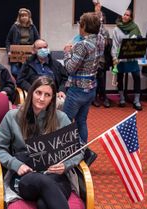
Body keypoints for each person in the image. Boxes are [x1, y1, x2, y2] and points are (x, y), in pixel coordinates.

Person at [0, 76, 82, 209]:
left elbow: (79, 150)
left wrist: (66, 165)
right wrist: (15, 164)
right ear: (31, 93)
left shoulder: (61, 118)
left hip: (57, 175)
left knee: (44, 202)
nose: (41, 98)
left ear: (52, 98)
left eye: (47, 95)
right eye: (38, 92)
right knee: (42, 183)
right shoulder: (12, 116)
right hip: (26, 176)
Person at [63, 12, 104, 143]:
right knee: (81, 121)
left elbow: (70, 68)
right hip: (91, 88)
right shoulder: (101, 39)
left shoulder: (83, 45)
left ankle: (65, 153)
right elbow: (99, 23)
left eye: (80, 24)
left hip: (77, 90)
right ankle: (82, 151)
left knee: (65, 123)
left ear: (84, 25)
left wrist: (67, 53)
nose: (79, 27)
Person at [111, 9, 142, 110]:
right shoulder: (117, 29)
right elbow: (115, 44)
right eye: (124, 14)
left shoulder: (135, 27)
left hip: (132, 57)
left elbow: (139, 42)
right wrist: (114, 57)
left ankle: (137, 101)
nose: (125, 16)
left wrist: (139, 39)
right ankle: (122, 98)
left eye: (127, 15)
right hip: (120, 58)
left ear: (130, 17)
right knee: (120, 77)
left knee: (137, 76)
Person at [6, 8, 40, 78]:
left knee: (28, 72)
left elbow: (38, 40)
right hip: (17, 53)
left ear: (29, 17)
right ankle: (19, 86)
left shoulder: (32, 27)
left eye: (26, 15)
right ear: (19, 17)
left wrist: (35, 48)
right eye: (22, 16)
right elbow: (8, 40)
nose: (24, 17)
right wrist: (9, 51)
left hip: (29, 53)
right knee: (14, 71)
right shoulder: (15, 27)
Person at [92, 1, 112, 108]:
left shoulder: (105, 30)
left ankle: (103, 96)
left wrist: (106, 41)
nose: (100, 19)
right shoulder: (91, 29)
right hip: (93, 58)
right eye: (98, 18)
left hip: (102, 58)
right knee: (94, 78)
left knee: (102, 78)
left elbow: (107, 43)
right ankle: (94, 97)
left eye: (102, 18)